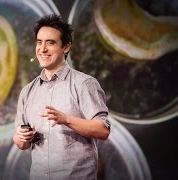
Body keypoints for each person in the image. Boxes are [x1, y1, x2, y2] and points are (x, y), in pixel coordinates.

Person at [12, 14, 110, 180]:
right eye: (39, 42)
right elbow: (21, 143)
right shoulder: (28, 91)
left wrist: (66, 119)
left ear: (66, 47)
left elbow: (103, 130)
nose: (42, 49)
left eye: (50, 43)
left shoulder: (84, 83)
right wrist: (22, 136)